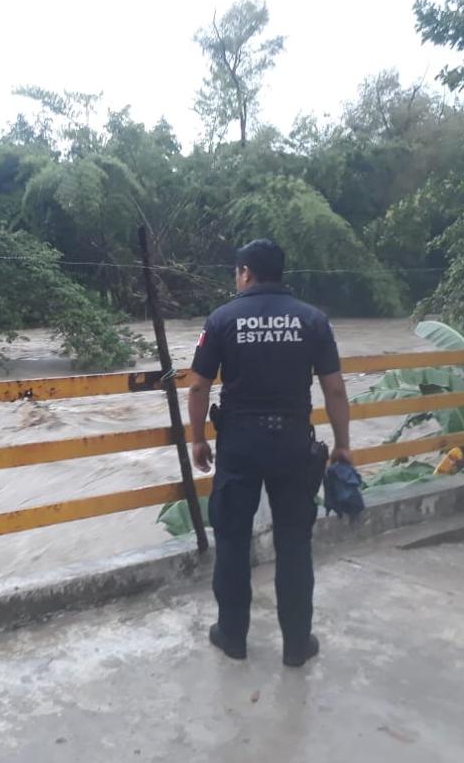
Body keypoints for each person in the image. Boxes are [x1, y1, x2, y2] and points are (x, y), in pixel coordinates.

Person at [187, 238, 351, 668]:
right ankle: (296, 644)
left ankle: (233, 638)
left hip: (239, 445)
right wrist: (343, 444)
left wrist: (197, 438)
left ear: (245, 272)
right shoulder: (313, 320)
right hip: (293, 444)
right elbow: (335, 389)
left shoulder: (222, 319)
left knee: (232, 540)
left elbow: (199, 385)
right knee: (294, 543)